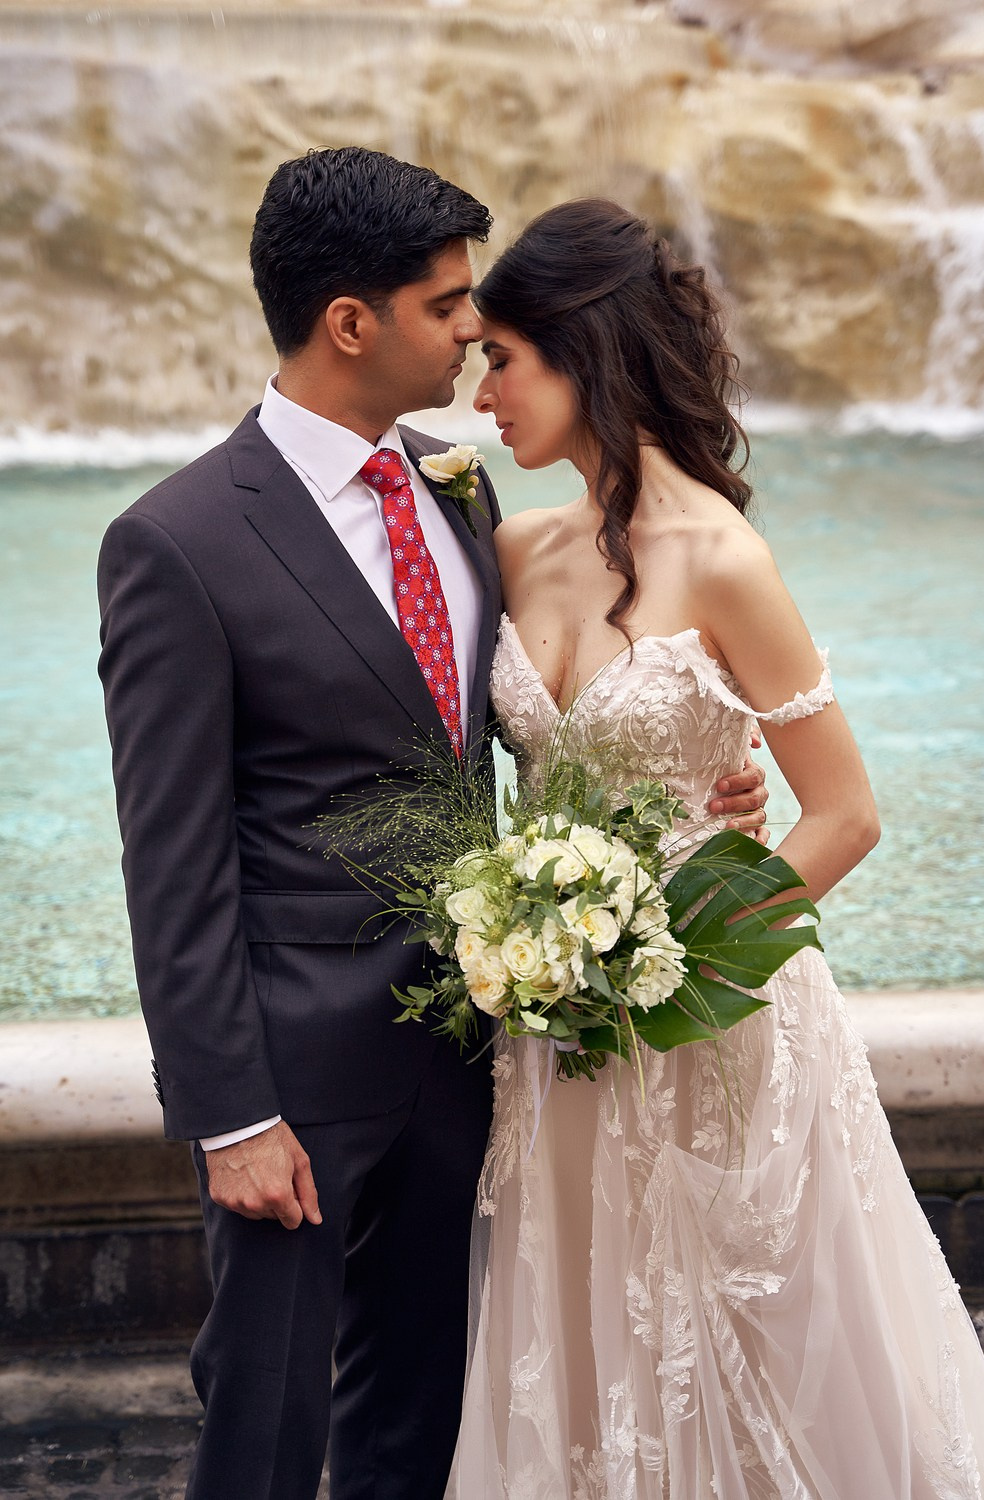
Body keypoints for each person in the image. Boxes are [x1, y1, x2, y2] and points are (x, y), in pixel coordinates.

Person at [96, 152, 768, 1500]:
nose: (475, 331)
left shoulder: (460, 490)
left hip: (478, 1048)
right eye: (449, 303)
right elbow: (170, 861)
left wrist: (694, 790)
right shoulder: (174, 545)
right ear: (352, 322)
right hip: (295, 1080)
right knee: (267, 1414)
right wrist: (231, 1118)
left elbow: (535, 729)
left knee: (423, 1409)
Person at [454, 198, 984, 1499]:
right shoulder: (512, 546)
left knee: (745, 1332)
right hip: (556, 1023)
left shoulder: (726, 561)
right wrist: (548, 942)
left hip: (716, 1021)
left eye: (504, 357)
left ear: (583, 356)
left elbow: (847, 813)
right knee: (578, 1344)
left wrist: (677, 954)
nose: (483, 395)